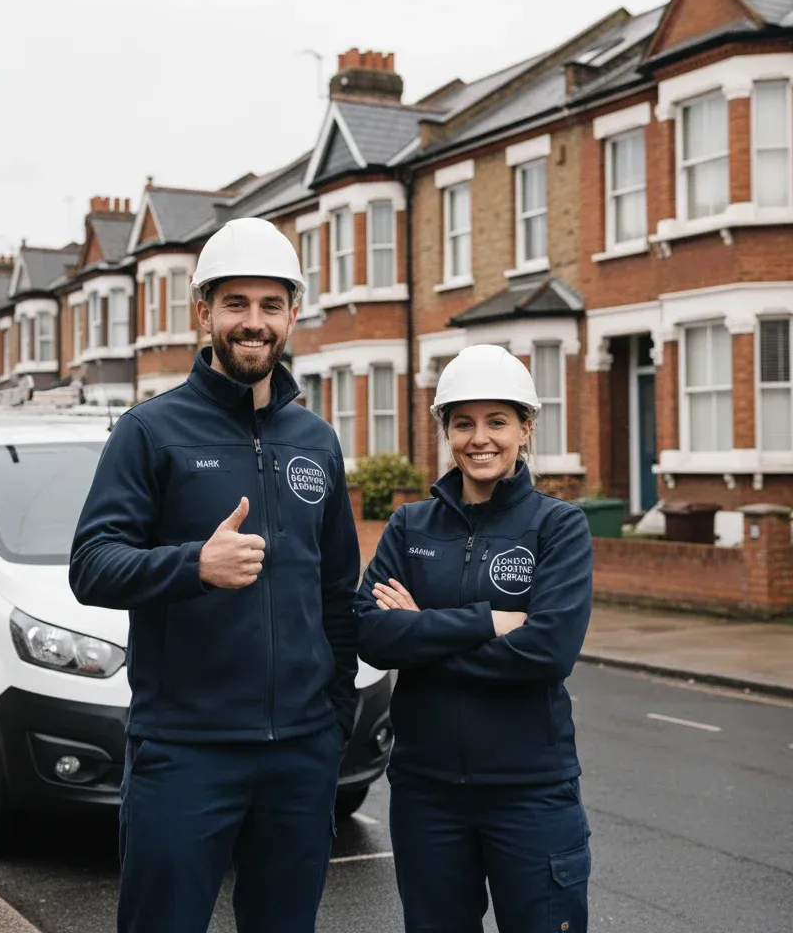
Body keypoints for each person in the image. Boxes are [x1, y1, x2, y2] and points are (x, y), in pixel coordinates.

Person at [69, 217, 359, 933]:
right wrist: (193, 564)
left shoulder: (316, 442)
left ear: (292, 314)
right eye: (235, 304)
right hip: (186, 752)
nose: (252, 323)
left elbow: (337, 596)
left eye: (269, 305)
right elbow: (92, 565)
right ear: (203, 312)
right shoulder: (151, 431)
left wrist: (331, 722)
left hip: (298, 756)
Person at [355, 343, 593, 933]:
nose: (479, 438)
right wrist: (487, 621)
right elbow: (369, 635)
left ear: (525, 429)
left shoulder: (558, 526)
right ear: (445, 431)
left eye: (497, 422)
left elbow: (546, 652)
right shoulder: (410, 526)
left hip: (531, 793)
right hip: (427, 793)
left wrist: (420, 630)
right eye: (463, 423)